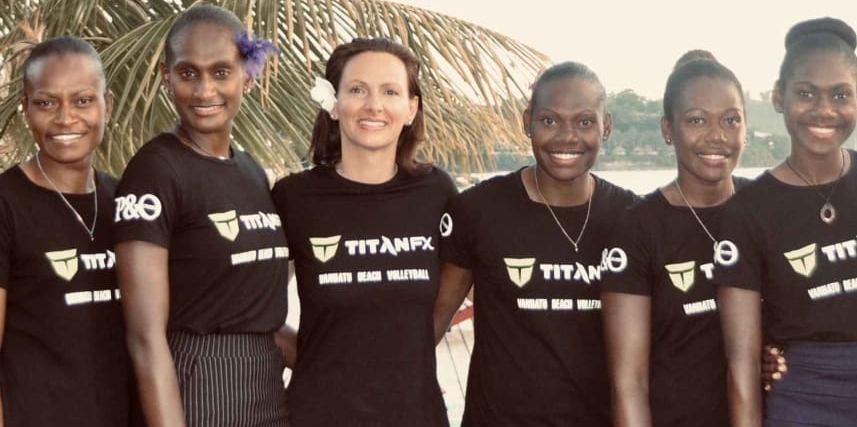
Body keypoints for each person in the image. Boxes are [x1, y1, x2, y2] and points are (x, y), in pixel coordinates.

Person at [715, 17, 857, 427]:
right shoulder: (747, 211)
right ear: (779, 97)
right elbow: (742, 370)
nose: (824, 110)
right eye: (806, 94)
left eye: (840, 95)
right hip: (803, 405)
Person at [432, 61, 637, 426]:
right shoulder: (478, 210)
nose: (567, 137)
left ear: (606, 127)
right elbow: (431, 323)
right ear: (527, 122)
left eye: (585, 122)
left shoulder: (633, 217)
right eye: (550, 120)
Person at [113, 5, 288, 426]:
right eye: (188, 73)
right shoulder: (156, 171)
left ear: (247, 73)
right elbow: (144, 336)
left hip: (265, 380)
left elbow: (250, 309)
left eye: (221, 72)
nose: (204, 90)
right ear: (166, 76)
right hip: (196, 383)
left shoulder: (250, 170)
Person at [272, 37, 455, 426]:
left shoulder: (437, 192)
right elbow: (254, 310)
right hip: (316, 415)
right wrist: (322, 360)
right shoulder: (294, 197)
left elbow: (456, 295)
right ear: (334, 104)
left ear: (411, 108)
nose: (374, 105)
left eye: (390, 91)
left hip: (417, 416)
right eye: (358, 90)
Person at [600, 50, 746, 426]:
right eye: (697, 120)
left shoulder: (768, 210)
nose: (717, 136)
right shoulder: (639, 228)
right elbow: (629, 382)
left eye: (731, 120)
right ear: (668, 129)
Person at [0, 35, 137, 426]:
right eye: (46, 103)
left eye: (82, 100)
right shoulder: (6, 205)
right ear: (26, 108)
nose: (65, 119)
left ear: (106, 105)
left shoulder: (126, 201)